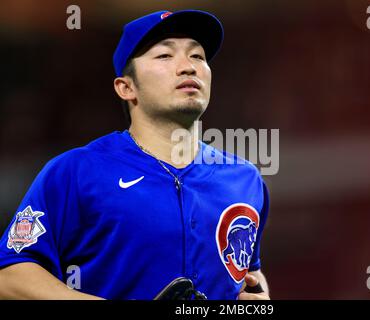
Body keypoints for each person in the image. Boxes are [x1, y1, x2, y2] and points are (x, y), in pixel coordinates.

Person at [0, 9, 270, 300]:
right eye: (165, 56)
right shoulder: (77, 171)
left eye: (197, 56)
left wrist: (259, 297)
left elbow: (249, 274)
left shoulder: (244, 179)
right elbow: (10, 275)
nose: (188, 67)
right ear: (126, 87)